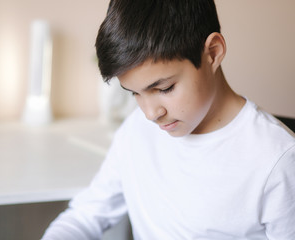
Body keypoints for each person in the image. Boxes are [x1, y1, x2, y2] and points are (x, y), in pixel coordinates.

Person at [42, 0, 295, 239]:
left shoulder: (277, 159)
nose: (151, 114)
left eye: (164, 89)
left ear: (213, 53)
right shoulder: (136, 131)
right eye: (134, 93)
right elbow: (85, 217)